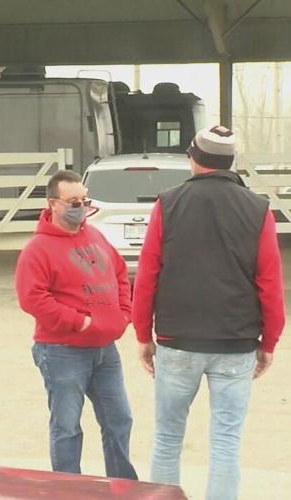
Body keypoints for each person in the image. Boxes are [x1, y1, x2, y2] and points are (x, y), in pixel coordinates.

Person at [132, 125, 285, 499]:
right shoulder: (258, 209)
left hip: (177, 340)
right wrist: (269, 341)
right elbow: (270, 282)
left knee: (168, 438)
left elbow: (148, 272)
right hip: (236, 344)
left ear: (195, 158)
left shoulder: (168, 203)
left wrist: (142, 335)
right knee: (226, 442)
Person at [15, 170, 138, 479]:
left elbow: (121, 274)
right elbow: (33, 299)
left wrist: (125, 312)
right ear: (53, 204)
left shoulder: (95, 236)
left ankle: (123, 485)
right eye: (73, 201)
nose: (80, 206)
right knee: (67, 427)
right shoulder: (37, 250)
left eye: (84, 200)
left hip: (105, 351)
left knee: (119, 419)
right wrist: (79, 323)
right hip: (62, 351)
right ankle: (68, 489)